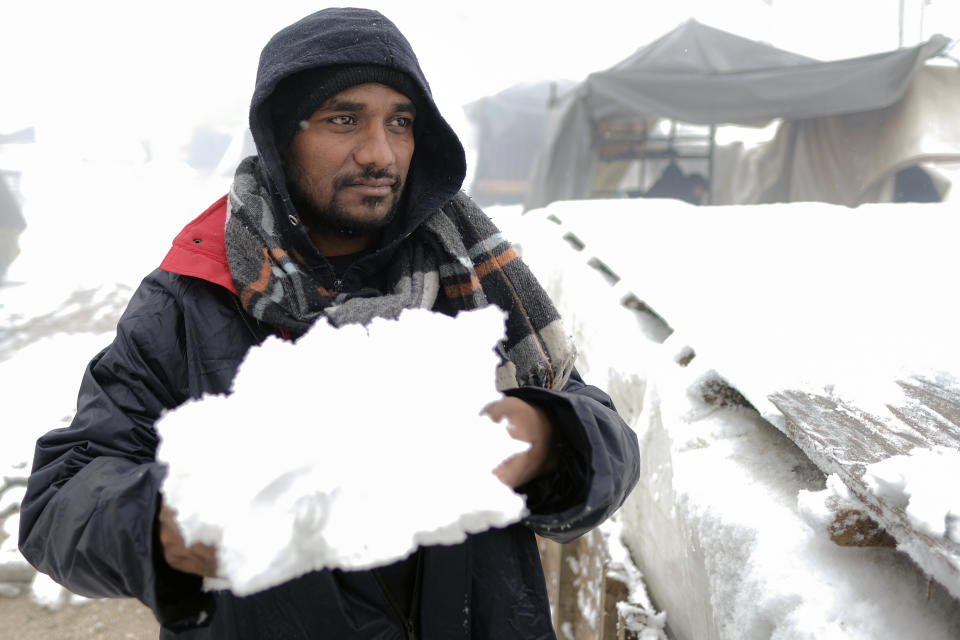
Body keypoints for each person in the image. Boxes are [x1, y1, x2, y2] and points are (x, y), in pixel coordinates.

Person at [19, 8, 640, 639]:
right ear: (281, 135)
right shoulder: (192, 297)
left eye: (401, 122)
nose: (379, 152)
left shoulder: (471, 274)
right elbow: (58, 501)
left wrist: (542, 434)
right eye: (344, 119)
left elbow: (606, 437)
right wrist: (167, 520)